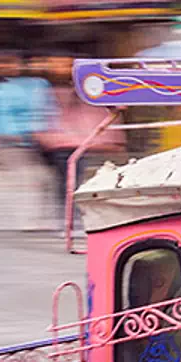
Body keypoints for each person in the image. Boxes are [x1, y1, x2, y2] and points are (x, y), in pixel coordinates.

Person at [35, 53, 119, 231]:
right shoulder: (57, 91)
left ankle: (69, 218)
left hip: (78, 143)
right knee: (68, 183)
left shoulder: (85, 91)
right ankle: (69, 219)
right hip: (65, 144)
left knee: (70, 183)